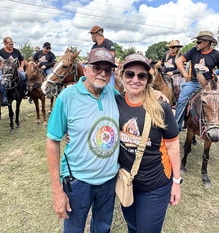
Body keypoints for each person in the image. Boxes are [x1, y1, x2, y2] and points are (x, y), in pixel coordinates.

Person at [46, 48, 119, 233]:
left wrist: (156, 95)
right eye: (97, 68)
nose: (102, 73)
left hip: (109, 179)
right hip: (78, 180)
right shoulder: (67, 97)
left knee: (103, 228)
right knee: (74, 229)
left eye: (107, 70)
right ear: (85, 68)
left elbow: (136, 102)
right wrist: (57, 191)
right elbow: (53, 141)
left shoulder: (113, 94)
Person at [116, 53, 181, 233]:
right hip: (127, 182)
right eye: (130, 74)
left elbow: (173, 146)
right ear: (122, 77)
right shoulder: (116, 101)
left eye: (141, 75)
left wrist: (176, 182)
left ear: (148, 79)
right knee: (132, 226)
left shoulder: (161, 107)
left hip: (156, 184)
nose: (135, 79)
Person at [0, 37, 26, 106]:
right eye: (10, 44)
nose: (12, 45)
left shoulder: (16, 51)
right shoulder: (0, 52)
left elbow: (22, 60)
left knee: (24, 76)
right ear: (5, 44)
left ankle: (24, 92)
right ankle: (4, 97)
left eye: (12, 44)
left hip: (15, 69)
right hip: (4, 70)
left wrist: (21, 67)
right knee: (0, 80)